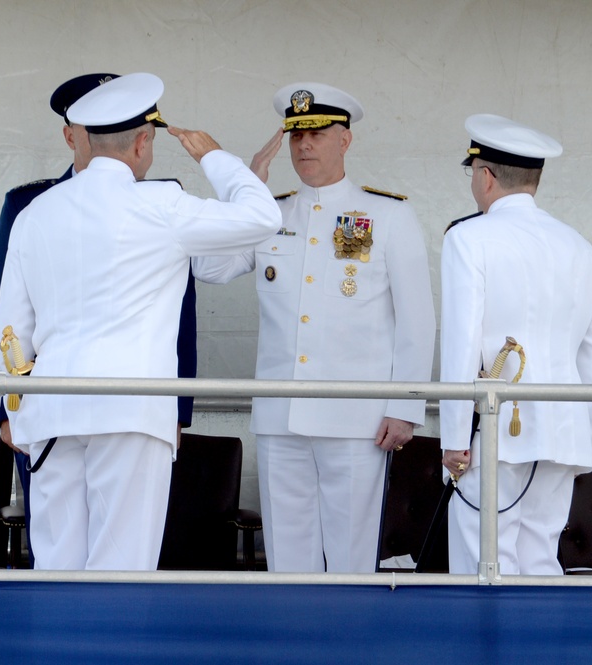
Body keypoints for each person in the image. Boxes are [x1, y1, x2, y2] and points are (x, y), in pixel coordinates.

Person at [0, 72, 282, 570]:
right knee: (120, 568)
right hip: (130, 413)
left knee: (55, 566)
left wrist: (20, 414)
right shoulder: (162, 206)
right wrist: (217, 158)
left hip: (51, 415)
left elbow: (11, 333)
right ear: (143, 141)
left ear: (85, 136)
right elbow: (263, 218)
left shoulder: (35, 214)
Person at [194, 82, 436, 573]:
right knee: (287, 558)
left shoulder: (387, 216)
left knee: (351, 555)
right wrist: (244, 192)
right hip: (281, 417)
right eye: (295, 135)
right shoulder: (269, 214)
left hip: (356, 419)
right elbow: (207, 267)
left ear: (345, 140)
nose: (304, 146)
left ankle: (348, 647)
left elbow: (417, 319)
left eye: (318, 134)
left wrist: (404, 406)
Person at [0, 73, 200, 567]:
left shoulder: (157, 200)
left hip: (105, 408)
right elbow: (8, 325)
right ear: (71, 135)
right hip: (60, 410)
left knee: (88, 556)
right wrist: (10, 409)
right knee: (87, 555)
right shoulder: (28, 203)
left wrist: (177, 407)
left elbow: (181, 313)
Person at [439, 114, 592, 575]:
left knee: (482, 562)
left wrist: (455, 438)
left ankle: (485, 649)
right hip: (563, 430)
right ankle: (539, 649)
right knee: (540, 558)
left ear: (486, 176)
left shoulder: (468, 238)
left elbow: (461, 343)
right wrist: (580, 427)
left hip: (496, 430)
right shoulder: (578, 245)